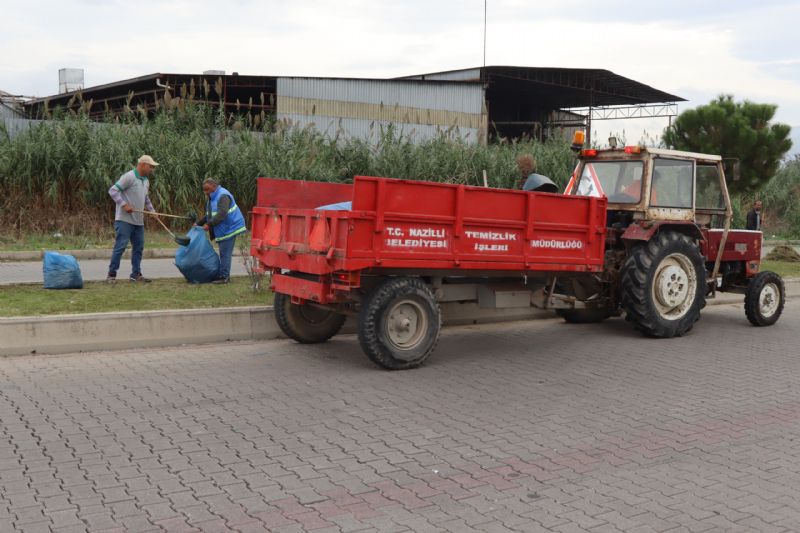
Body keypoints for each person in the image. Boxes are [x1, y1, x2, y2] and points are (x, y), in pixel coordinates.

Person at [106, 155, 159, 283]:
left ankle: (135, 274)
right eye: (150, 166)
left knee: (138, 248)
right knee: (120, 247)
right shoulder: (129, 176)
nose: (152, 169)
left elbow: (145, 198)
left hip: (138, 221)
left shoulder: (146, 181)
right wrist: (124, 205)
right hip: (124, 220)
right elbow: (113, 191)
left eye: (153, 167)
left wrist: (152, 211)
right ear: (142, 164)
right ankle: (111, 275)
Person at [196, 178, 247, 284]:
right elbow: (209, 214)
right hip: (223, 228)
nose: (205, 192)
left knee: (225, 253)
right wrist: (198, 223)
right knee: (223, 252)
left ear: (214, 186)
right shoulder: (212, 196)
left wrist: (208, 225)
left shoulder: (222, 196)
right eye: (204, 190)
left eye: (207, 189)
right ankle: (222, 274)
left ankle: (224, 277)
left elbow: (221, 215)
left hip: (230, 227)